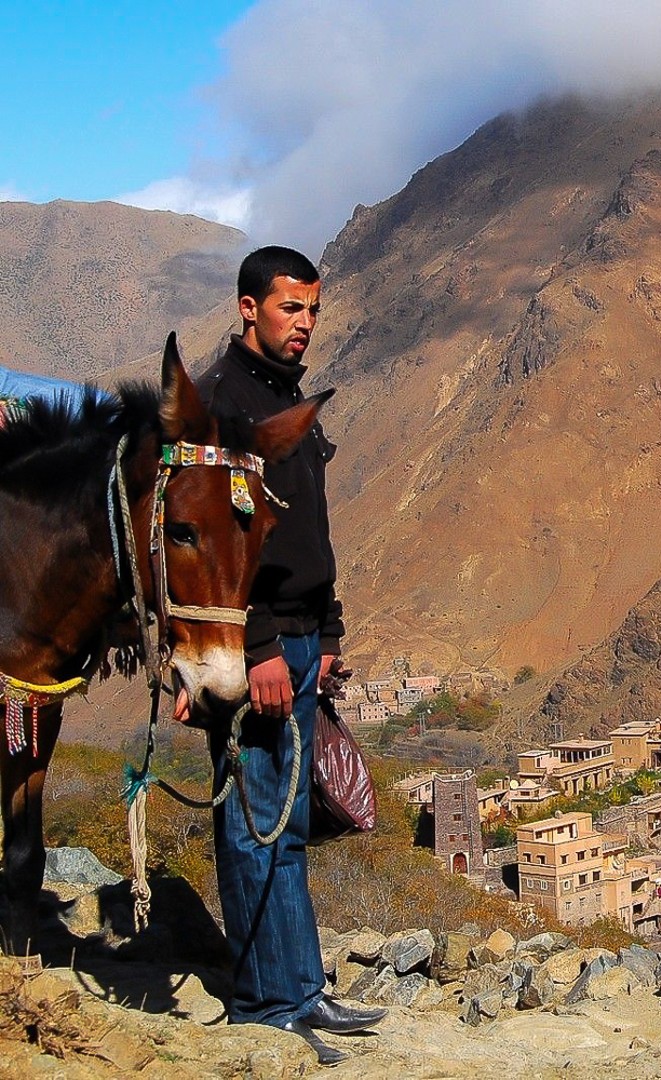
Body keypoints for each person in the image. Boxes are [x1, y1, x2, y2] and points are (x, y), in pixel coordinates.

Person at [187, 246, 385, 1066]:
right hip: (256, 649)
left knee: (290, 822)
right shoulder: (221, 407)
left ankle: (301, 987)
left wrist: (328, 632)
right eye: (288, 309)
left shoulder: (286, 398)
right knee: (255, 820)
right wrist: (262, 644)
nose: (304, 325)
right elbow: (222, 552)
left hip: (305, 642)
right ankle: (267, 1004)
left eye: (311, 310)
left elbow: (309, 532)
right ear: (246, 308)